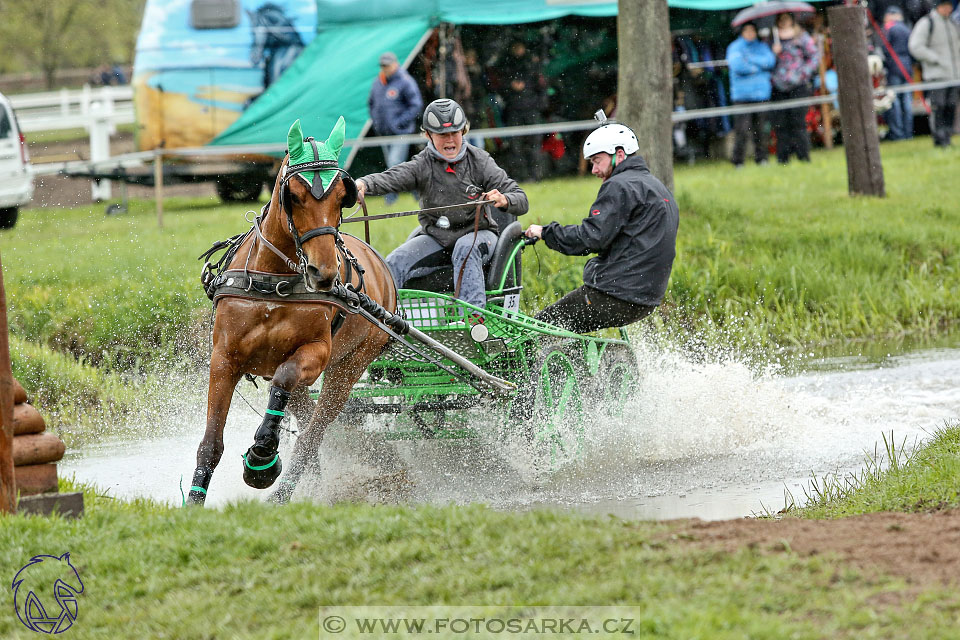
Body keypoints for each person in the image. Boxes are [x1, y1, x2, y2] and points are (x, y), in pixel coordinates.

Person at [356, 99, 528, 314]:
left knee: (465, 248)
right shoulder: (422, 164)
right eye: (442, 135)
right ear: (428, 135)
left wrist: (505, 199)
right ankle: (381, 320)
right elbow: (392, 178)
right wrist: (363, 184)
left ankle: (473, 318)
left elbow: (521, 200)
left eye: (455, 133)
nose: (450, 140)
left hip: (480, 237)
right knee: (394, 261)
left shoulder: (480, 161)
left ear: (464, 131)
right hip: (437, 238)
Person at [523, 121, 678, 334]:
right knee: (567, 331)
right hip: (647, 298)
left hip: (617, 293)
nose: (594, 170)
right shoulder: (657, 187)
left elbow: (590, 238)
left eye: (597, 161)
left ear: (620, 155)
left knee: (538, 329)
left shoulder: (619, 185)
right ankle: (583, 364)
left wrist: (545, 232)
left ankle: (507, 366)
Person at [367, 51, 423, 203]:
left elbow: (416, 104)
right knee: (396, 165)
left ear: (395, 64)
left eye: (387, 65)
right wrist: (377, 121)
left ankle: (391, 196)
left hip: (401, 133)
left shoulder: (405, 81)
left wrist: (400, 122)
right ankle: (415, 190)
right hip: (384, 132)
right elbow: (371, 104)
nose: (385, 68)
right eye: (383, 65)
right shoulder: (377, 82)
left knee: (394, 163)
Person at [909, 0, 960, 147]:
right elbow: (915, 46)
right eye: (946, 6)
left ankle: (947, 137)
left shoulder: (951, 23)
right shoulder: (927, 23)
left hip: (953, 75)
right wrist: (935, 58)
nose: (948, 9)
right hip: (936, 75)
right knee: (939, 107)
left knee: (951, 105)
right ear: (939, 6)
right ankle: (939, 138)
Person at [770, 13, 819, 163]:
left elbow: (814, 57)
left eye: (787, 19)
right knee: (781, 124)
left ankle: (803, 155)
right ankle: (783, 158)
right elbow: (767, 63)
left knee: (798, 122)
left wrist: (803, 74)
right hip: (778, 86)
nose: (784, 22)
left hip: (798, 85)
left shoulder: (802, 37)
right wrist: (773, 53)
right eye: (781, 19)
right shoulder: (772, 39)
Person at [726, 21, 777, 167]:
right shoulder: (735, 47)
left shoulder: (762, 46)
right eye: (747, 31)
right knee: (742, 130)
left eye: (752, 31)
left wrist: (750, 60)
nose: (750, 33)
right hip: (742, 96)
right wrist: (758, 68)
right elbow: (738, 66)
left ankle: (762, 159)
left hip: (761, 95)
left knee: (761, 130)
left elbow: (770, 61)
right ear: (742, 32)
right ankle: (738, 161)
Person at [883, 6, 915, 140]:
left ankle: (898, 133)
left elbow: (885, 48)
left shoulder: (890, 28)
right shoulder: (907, 28)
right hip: (907, 67)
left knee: (894, 101)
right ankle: (908, 133)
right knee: (907, 102)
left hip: (894, 67)